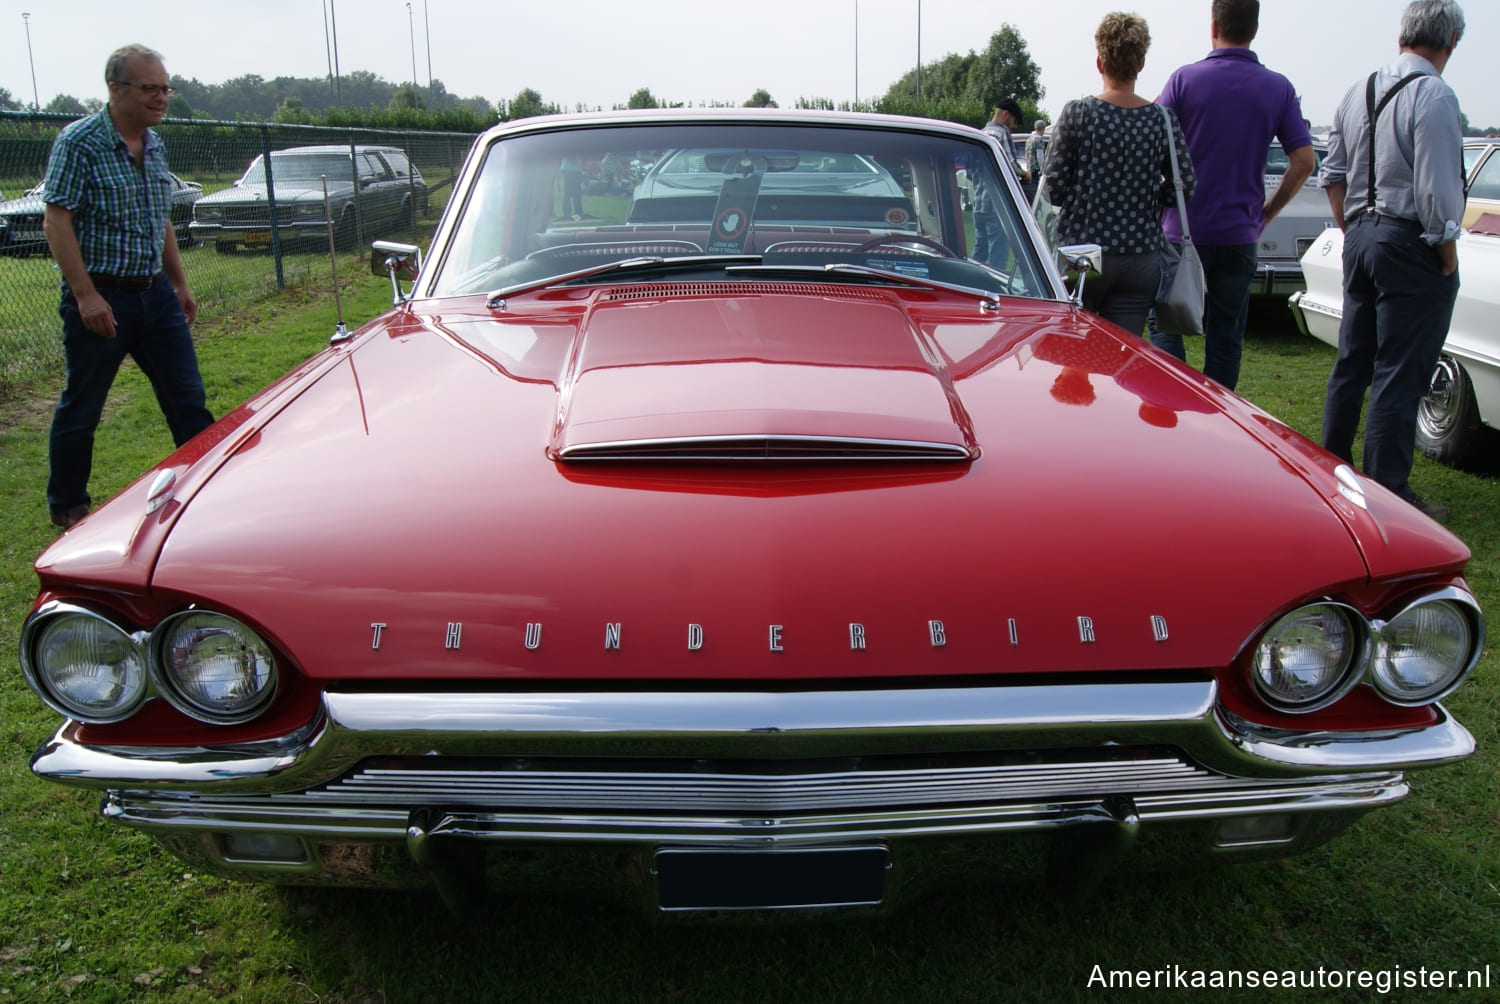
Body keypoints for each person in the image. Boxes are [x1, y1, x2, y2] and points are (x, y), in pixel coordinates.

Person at [41, 43, 214, 531]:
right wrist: (84, 295)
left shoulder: (155, 145)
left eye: (165, 88)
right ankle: (69, 507)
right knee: (84, 406)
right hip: (103, 297)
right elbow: (57, 220)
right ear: (116, 89)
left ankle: (207, 492)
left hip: (155, 296)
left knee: (187, 399)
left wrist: (178, 284)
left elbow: (159, 220)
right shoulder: (80, 142)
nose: (161, 98)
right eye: (149, 88)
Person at [1320, 0, 1465, 521]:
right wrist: (1446, 256)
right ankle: (1386, 492)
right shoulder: (1435, 95)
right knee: (1399, 371)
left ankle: (1327, 473)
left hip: (1360, 236)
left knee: (1352, 363)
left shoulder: (1358, 90)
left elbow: (1331, 174)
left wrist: (1352, 226)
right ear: (1449, 40)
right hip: (1408, 244)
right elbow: (1438, 193)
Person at [1149, 0, 1314, 391]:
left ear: (1213, 25)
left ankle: (1170, 405)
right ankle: (1217, 424)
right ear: (1254, 28)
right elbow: (1304, 161)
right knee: (1225, 338)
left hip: (1180, 229)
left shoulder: (1183, 80)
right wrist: (1267, 213)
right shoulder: (1278, 87)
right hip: (1239, 233)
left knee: (1164, 324)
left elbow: (1151, 142)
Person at [1043, 12, 1194, 335]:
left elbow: (1052, 188)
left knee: (1073, 358)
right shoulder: (1161, 120)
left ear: (1099, 62)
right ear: (1141, 64)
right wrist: (1149, 199)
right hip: (1140, 258)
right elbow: (1186, 184)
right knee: (1122, 358)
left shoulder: (1079, 113)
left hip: (1081, 256)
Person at [972, 100, 1026, 268]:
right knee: (998, 252)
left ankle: (970, 282)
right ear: (1005, 115)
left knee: (979, 250)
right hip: (996, 204)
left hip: (978, 202)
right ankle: (997, 288)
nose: (1014, 127)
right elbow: (1011, 164)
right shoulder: (1002, 134)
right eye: (1015, 122)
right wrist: (1025, 173)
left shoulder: (980, 134)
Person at [1023, 119, 1048, 204]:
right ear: (1042, 128)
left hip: (1029, 168)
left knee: (1031, 190)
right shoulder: (1039, 139)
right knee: (1037, 192)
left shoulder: (1029, 139)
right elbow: (1040, 155)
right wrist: (1042, 169)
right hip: (1036, 169)